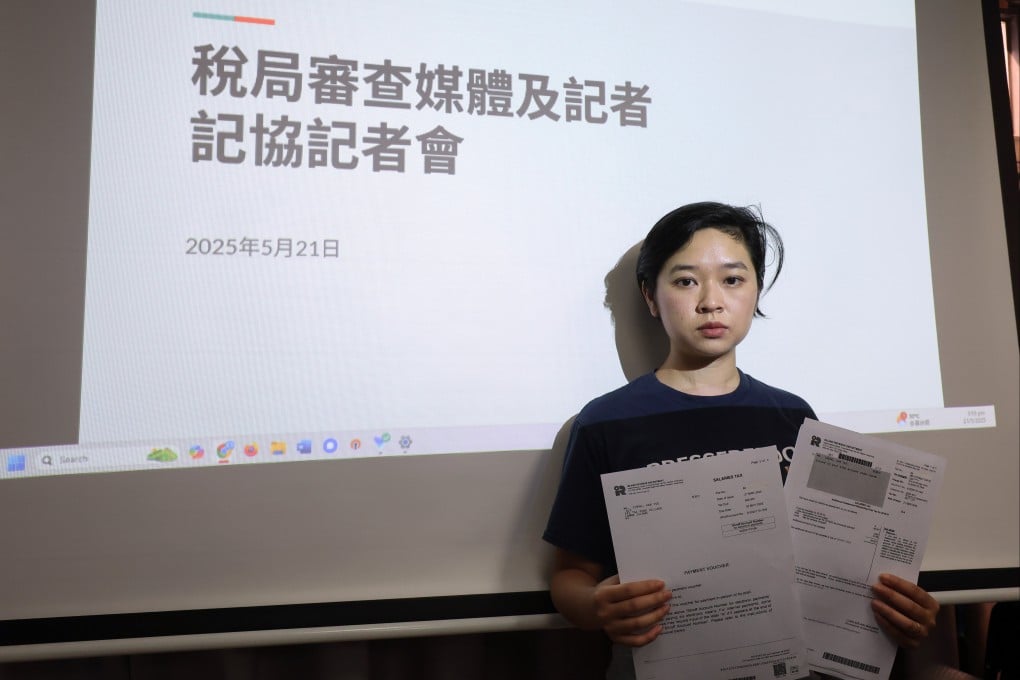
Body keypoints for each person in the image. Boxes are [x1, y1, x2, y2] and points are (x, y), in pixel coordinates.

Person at [542, 202, 939, 679]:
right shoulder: (606, 421)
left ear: (755, 290)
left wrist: (894, 607)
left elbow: (837, 560)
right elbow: (570, 575)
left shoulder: (792, 415)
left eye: (733, 279)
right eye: (685, 280)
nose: (711, 300)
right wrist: (594, 606)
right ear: (650, 296)